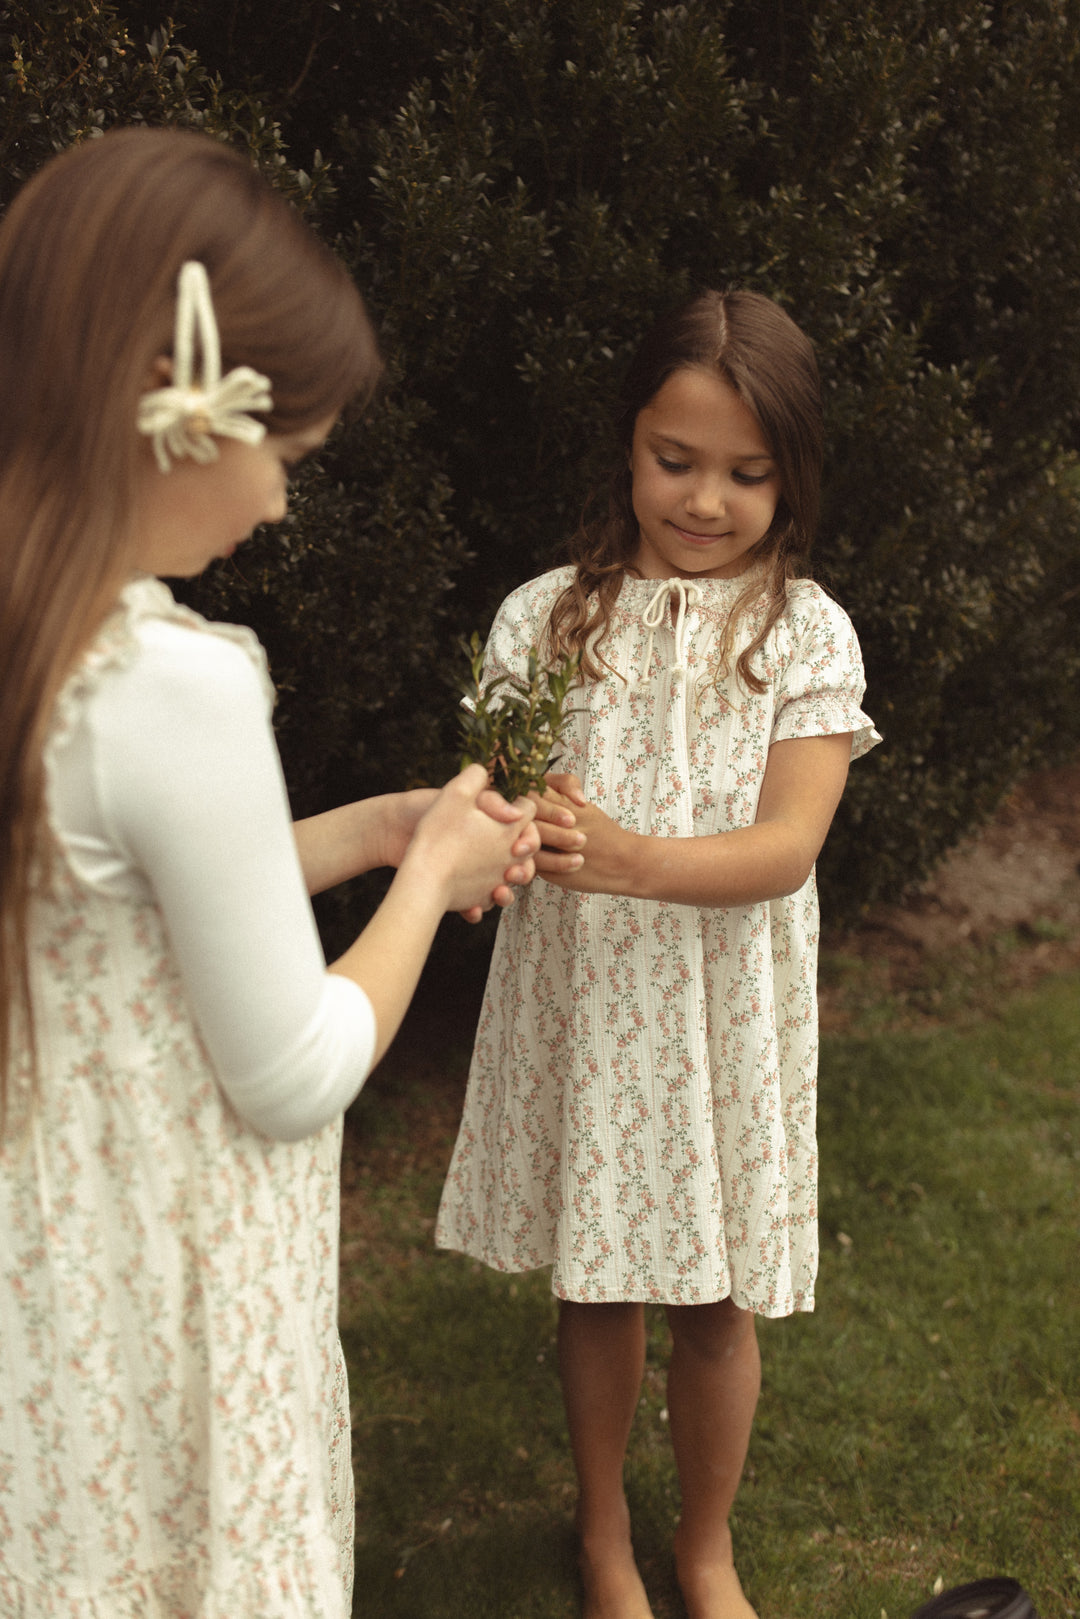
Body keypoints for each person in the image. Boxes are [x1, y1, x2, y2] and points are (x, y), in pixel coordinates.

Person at [0, 126, 541, 1618]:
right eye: (284, 457)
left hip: (39, 1285)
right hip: (160, 1287)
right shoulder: (173, 684)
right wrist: (429, 878)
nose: (281, 506)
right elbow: (290, 1070)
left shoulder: (36, 646)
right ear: (181, 416)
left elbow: (101, 907)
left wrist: (366, 834)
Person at [436, 289, 881, 1619]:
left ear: (791, 478)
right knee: (603, 1276)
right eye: (673, 461)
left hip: (724, 1012)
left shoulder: (807, 633)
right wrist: (503, 835)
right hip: (591, 1007)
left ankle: (704, 1545)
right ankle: (604, 1540)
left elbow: (786, 846)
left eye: (746, 474)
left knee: (718, 1293)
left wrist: (628, 857)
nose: (703, 500)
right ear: (628, 446)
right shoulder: (545, 623)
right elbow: (504, 805)